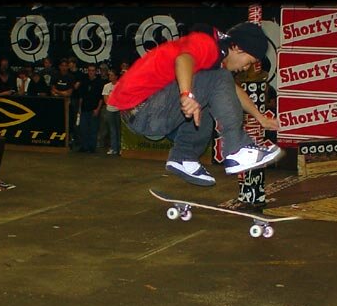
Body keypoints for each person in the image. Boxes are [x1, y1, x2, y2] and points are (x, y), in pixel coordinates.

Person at [108, 22, 282, 187]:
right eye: (249, 62)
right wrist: (187, 95)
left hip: (140, 112)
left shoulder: (215, 57)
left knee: (213, 92)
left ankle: (183, 157)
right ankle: (236, 149)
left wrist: (260, 118)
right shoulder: (208, 45)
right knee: (220, 78)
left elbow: (233, 90)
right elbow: (183, 59)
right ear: (237, 48)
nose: (245, 68)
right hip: (143, 108)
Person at [77, 64, 104, 153]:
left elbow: (101, 98)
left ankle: (92, 147)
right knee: (83, 129)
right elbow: (81, 96)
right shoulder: (84, 81)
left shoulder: (99, 82)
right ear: (87, 71)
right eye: (89, 70)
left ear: (96, 71)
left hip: (94, 109)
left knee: (93, 129)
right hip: (84, 109)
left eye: (93, 70)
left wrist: (98, 109)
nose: (91, 72)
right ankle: (84, 146)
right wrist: (79, 108)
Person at [102, 67, 121, 155]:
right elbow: (106, 99)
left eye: (112, 75)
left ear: (116, 76)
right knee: (112, 130)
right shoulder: (106, 86)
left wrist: (115, 101)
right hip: (110, 110)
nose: (110, 76)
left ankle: (120, 148)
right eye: (109, 75)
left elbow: (121, 98)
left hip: (119, 110)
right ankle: (114, 148)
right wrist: (112, 101)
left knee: (119, 129)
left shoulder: (121, 85)